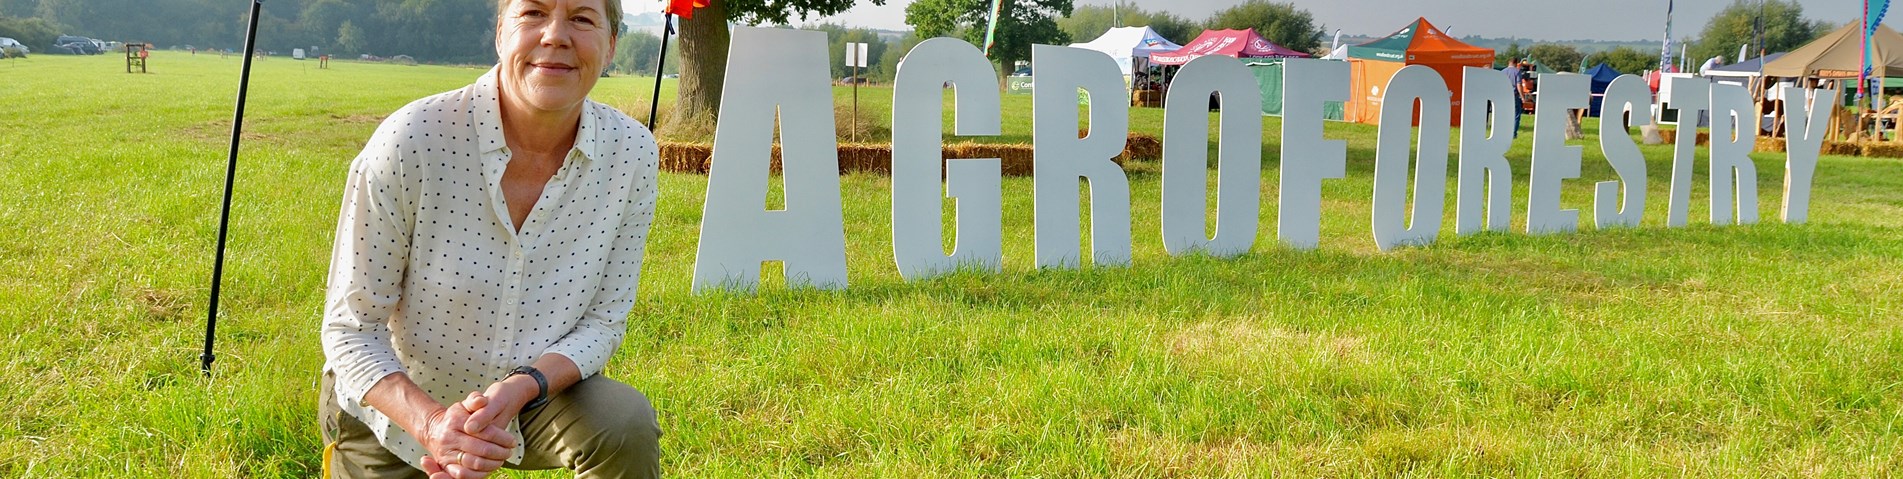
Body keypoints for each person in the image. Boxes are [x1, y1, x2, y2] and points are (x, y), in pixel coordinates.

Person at [318, 0, 662, 477]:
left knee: (623, 422)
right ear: (500, 33)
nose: (555, 35)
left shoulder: (632, 155)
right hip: (392, 413)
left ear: (611, 47)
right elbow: (351, 329)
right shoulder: (412, 141)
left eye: (582, 18)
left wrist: (525, 385)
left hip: (534, 400)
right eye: (534, 13)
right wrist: (436, 423)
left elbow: (604, 320)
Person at [1502, 60, 1524, 138]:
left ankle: (1504, 131)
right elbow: (1519, 85)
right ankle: (1513, 133)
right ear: (1515, 63)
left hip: (1504, 96)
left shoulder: (1502, 71)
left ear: (1509, 63)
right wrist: (1522, 96)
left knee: (1505, 114)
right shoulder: (1517, 72)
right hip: (1514, 95)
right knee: (1516, 115)